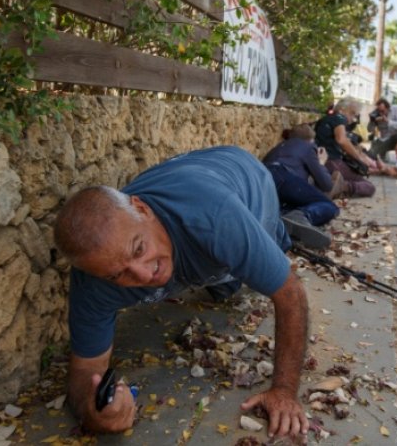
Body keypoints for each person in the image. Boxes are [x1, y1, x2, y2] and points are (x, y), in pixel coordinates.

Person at [53, 146, 309, 440]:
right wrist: (93, 409)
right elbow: (85, 370)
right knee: (224, 286)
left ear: (142, 209)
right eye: (118, 274)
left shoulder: (214, 216)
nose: (144, 275)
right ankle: (251, 252)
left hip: (250, 184)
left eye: (139, 249)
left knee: (258, 263)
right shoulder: (92, 280)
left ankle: (283, 229)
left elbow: (291, 294)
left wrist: (284, 390)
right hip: (204, 220)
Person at [262, 124, 344, 248]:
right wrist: (321, 163)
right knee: (329, 206)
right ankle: (302, 216)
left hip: (262, 179)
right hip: (282, 176)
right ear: (310, 140)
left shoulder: (277, 148)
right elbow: (327, 185)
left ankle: (286, 223)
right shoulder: (307, 147)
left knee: (287, 208)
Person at [314, 97, 377, 198]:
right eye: (352, 113)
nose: (352, 119)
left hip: (322, 162)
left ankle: (334, 187)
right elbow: (341, 140)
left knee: (353, 178)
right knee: (369, 187)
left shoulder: (325, 119)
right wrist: (359, 158)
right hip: (332, 161)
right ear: (342, 109)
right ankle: (340, 187)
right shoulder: (340, 117)